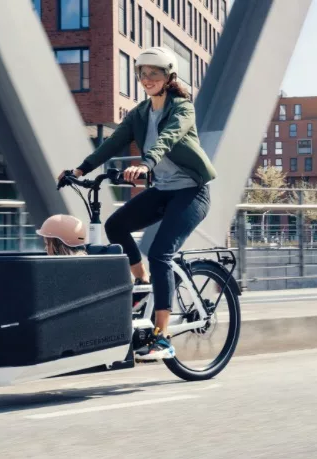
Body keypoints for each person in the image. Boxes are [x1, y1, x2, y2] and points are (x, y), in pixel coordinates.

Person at [57, 47, 216, 361]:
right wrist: (79, 170)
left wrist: (146, 164)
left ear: (169, 75)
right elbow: (113, 143)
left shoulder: (182, 108)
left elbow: (168, 138)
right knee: (115, 225)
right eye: (142, 73)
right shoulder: (140, 113)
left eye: (153, 73)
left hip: (191, 192)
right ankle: (142, 282)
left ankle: (163, 336)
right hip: (164, 191)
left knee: (160, 253)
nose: (146, 79)